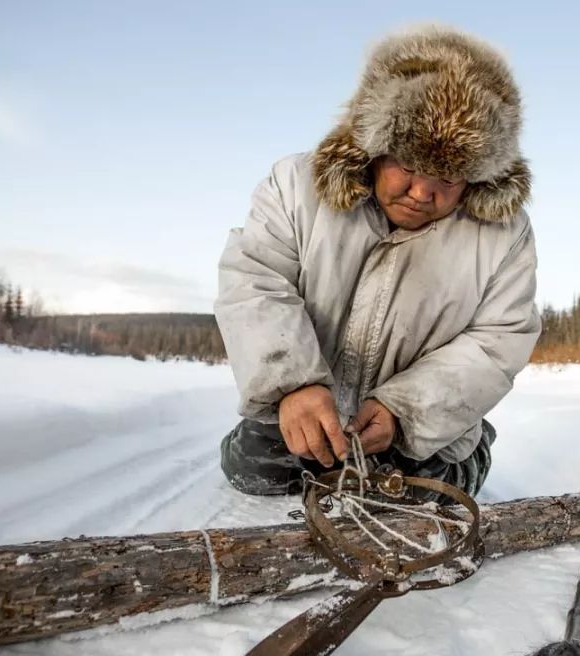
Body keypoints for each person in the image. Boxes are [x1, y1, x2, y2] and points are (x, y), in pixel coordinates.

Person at [214, 25, 541, 502]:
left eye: (449, 176)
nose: (422, 192)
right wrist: (294, 385)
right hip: (311, 407)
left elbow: (499, 339)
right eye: (408, 164)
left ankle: (472, 445)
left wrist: (403, 411)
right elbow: (257, 280)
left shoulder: (505, 233)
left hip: (422, 423)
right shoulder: (295, 186)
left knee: (427, 497)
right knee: (251, 473)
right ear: (374, 144)